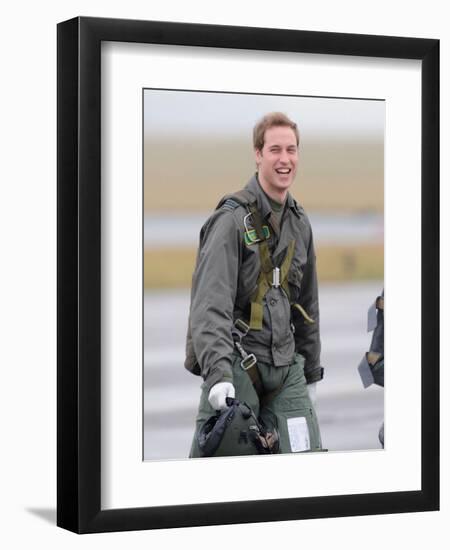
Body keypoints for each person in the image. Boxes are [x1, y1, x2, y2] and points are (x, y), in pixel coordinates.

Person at [185, 112, 324, 457]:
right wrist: (218, 374)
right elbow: (209, 307)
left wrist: (311, 371)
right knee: (215, 476)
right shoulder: (230, 222)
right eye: (275, 149)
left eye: (291, 150)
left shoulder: (299, 223)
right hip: (237, 362)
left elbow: (307, 308)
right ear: (258, 154)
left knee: (308, 467)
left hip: (285, 365)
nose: (285, 159)